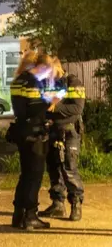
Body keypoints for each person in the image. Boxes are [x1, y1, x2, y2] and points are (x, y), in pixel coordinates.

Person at [9, 51, 54, 230]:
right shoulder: (34, 84)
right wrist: (52, 101)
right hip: (35, 134)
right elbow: (37, 109)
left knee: (25, 174)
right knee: (34, 175)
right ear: (40, 66)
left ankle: (18, 215)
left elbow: (21, 110)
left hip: (22, 131)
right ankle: (30, 216)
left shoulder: (18, 80)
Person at [39, 58, 86, 221]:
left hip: (69, 131)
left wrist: (56, 106)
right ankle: (58, 205)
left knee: (69, 168)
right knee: (53, 168)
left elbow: (77, 108)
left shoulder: (73, 82)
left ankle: (76, 204)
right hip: (52, 131)